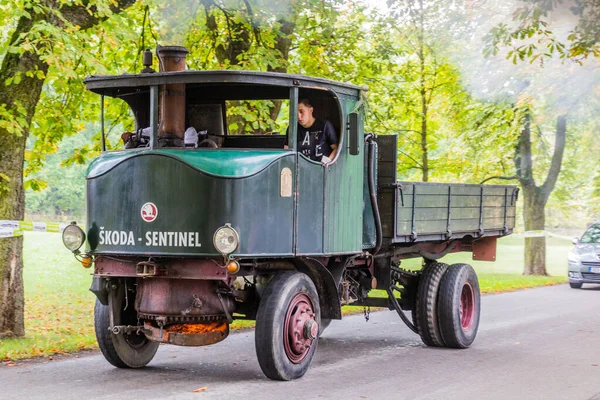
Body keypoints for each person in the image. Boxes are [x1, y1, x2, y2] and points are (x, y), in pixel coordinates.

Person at [290, 98, 338, 165]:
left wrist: (328, 161)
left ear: (311, 110)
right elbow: (287, 151)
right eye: (295, 113)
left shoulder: (325, 126)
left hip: (320, 169)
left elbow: (336, 148)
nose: (299, 116)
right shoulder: (292, 128)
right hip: (299, 170)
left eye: (301, 112)